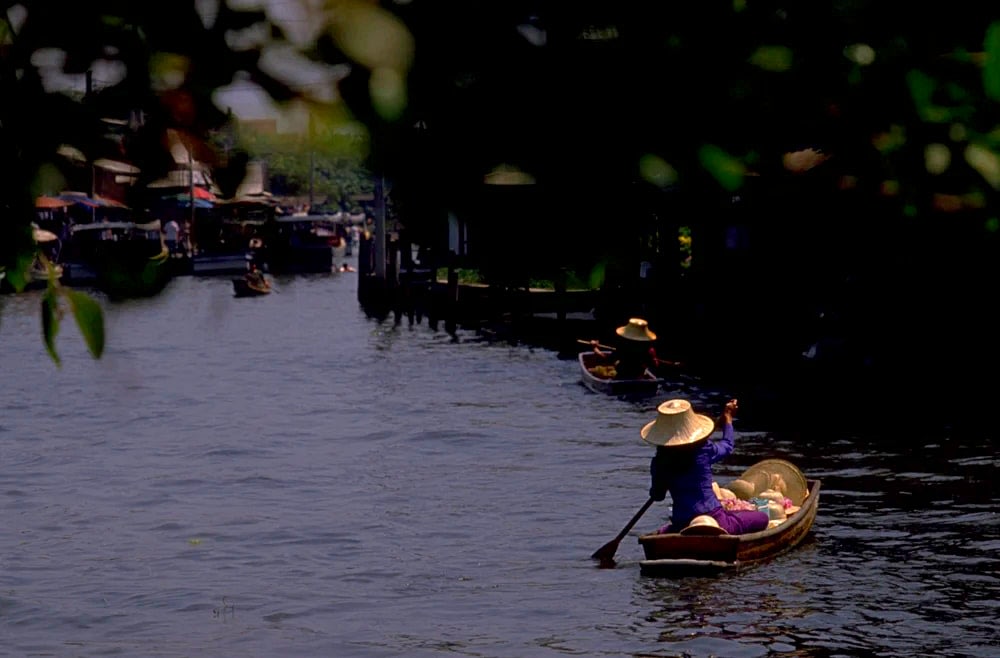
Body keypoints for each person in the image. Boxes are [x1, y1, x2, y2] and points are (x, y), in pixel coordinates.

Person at [642, 398, 769, 535]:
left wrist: (664, 482)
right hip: (714, 518)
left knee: (669, 530)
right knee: (762, 517)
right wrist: (728, 419)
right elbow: (727, 445)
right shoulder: (703, 450)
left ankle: (666, 533)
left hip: (682, 522)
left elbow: (658, 495)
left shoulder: (659, 462)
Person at [591, 317, 658, 379]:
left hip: (621, 376)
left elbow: (608, 360)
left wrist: (595, 348)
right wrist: (654, 358)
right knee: (614, 366)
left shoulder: (623, 347)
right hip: (638, 376)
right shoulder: (650, 350)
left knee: (592, 370)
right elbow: (655, 365)